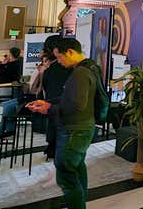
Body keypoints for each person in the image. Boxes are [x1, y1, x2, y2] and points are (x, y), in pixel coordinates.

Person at [28, 38, 98, 209]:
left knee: (66, 175)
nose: (59, 62)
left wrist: (49, 109)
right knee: (76, 168)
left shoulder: (80, 72)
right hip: (81, 128)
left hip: (75, 130)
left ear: (71, 52)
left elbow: (77, 105)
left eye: (60, 57)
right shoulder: (88, 68)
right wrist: (48, 104)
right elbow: (71, 98)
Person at [41, 35, 74, 158]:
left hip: (54, 103)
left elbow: (44, 86)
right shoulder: (67, 68)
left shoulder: (51, 69)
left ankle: (53, 148)